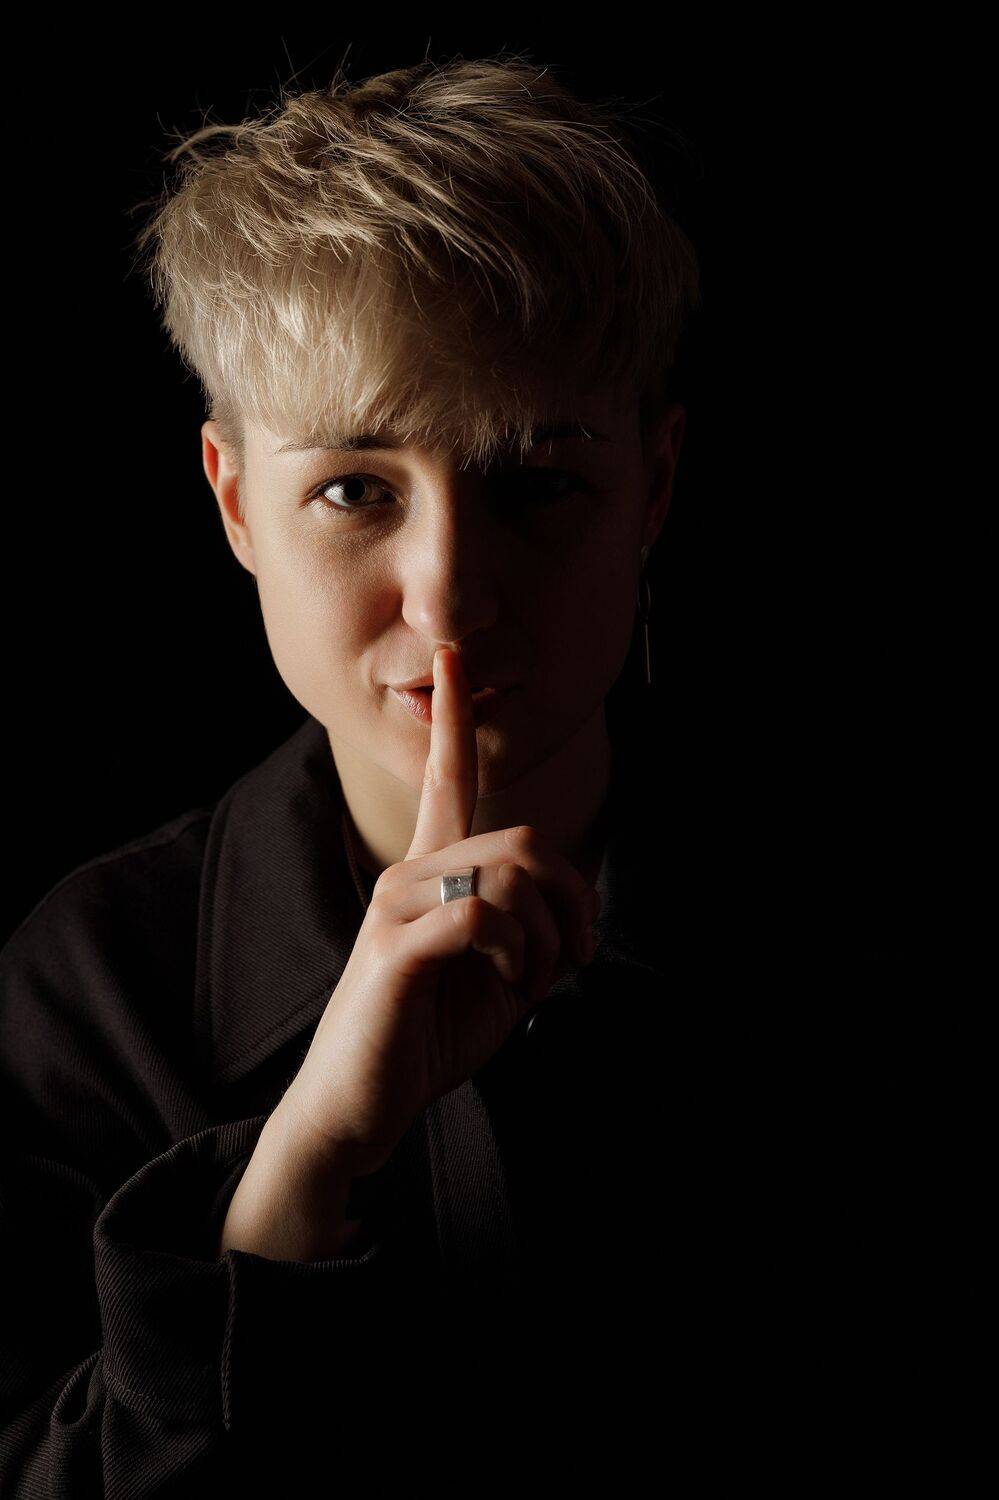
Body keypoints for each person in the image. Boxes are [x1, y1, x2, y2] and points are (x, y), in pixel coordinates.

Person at [1, 52, 711, 1491]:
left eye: (538, 483)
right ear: (234, 502)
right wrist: (311, 1153)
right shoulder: (90, 982)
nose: (448, 597)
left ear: (654, 487)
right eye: (352, 489)